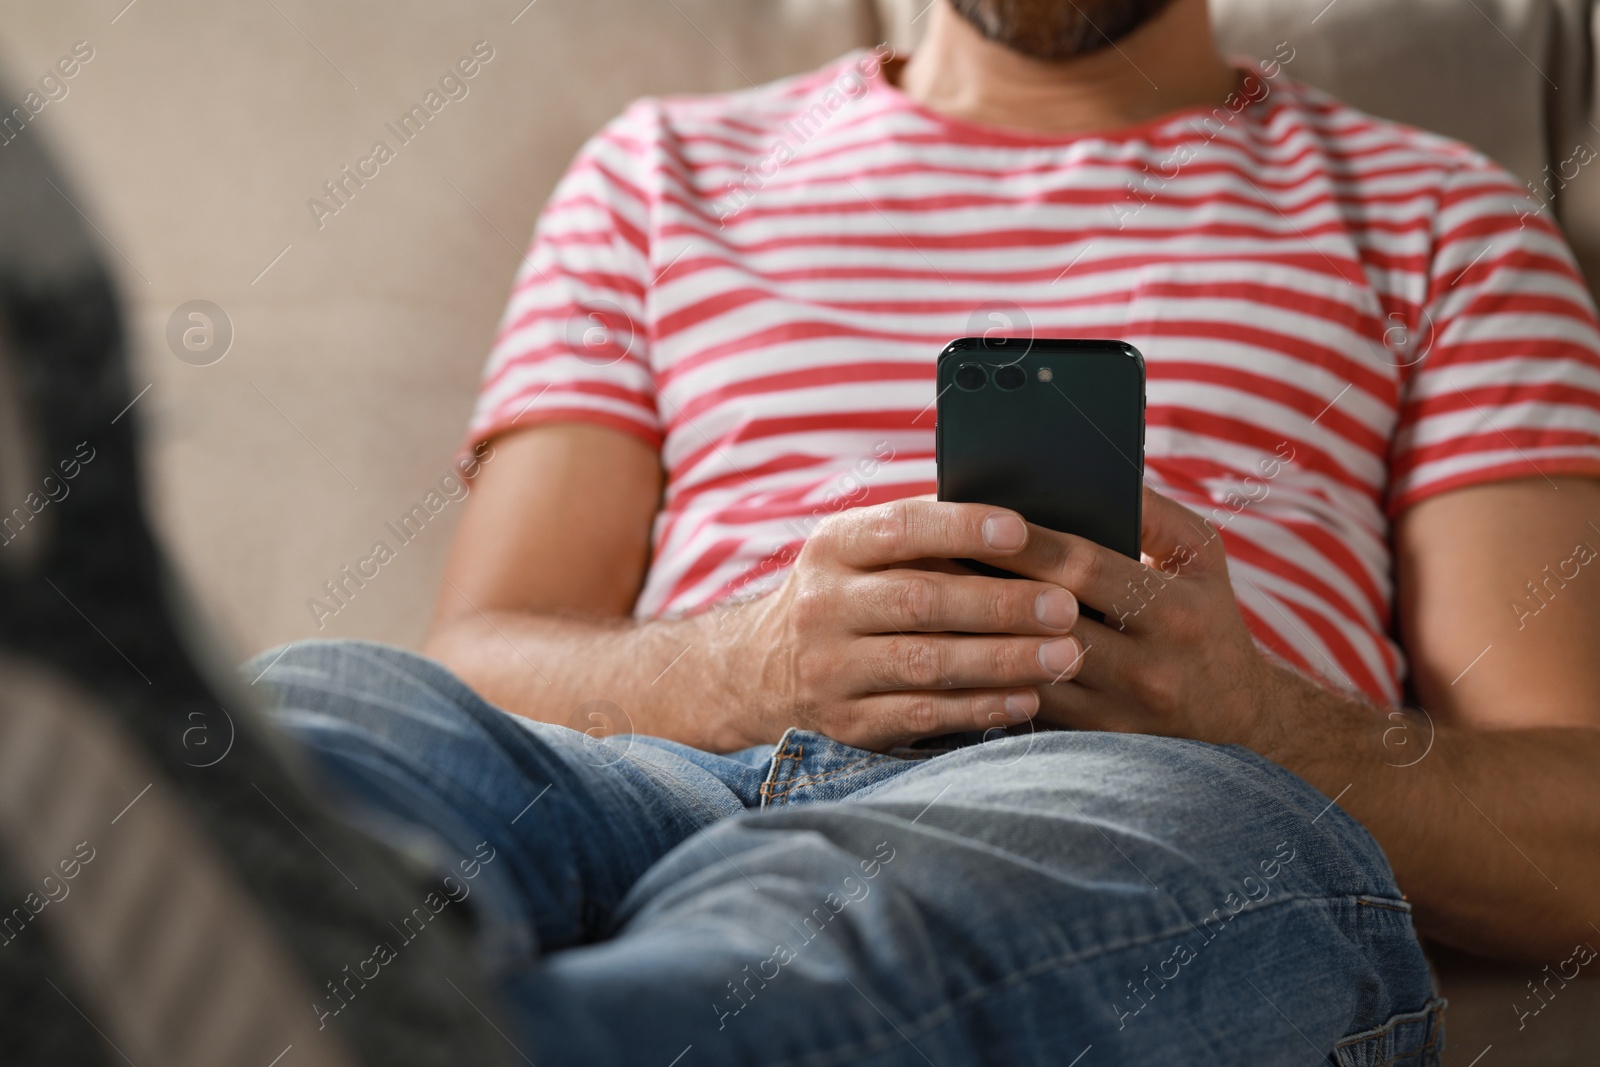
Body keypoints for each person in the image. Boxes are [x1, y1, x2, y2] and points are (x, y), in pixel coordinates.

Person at [2, 2, 1593, 1065]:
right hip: (649, 777)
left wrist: (1266, 725)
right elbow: (482, 652)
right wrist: (747, 661)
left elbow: (1577, 824)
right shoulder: (659, 172)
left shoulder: (1437, 213)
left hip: (1148, 805)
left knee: (866, 923)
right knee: (344, 704)